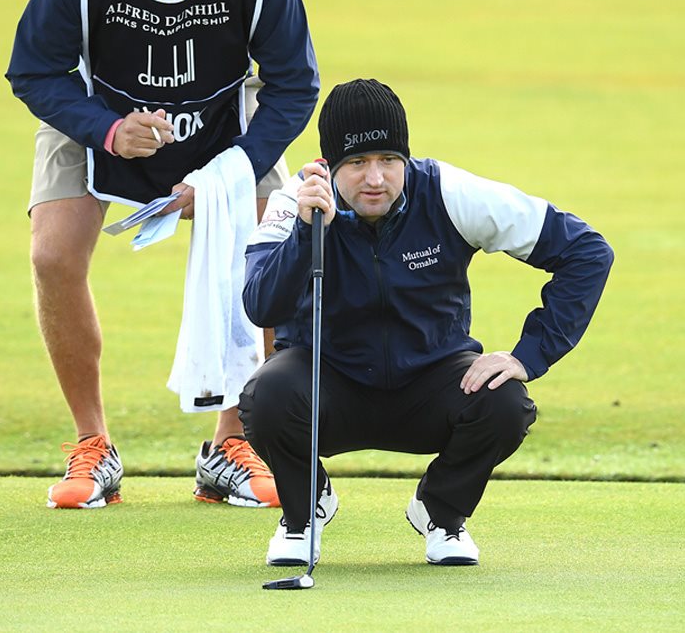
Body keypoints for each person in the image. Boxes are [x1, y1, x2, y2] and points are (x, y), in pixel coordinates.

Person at [5, 0, 319, 510]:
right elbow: (34, 70)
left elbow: (295, 82)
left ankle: (231, 444)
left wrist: (229, 173)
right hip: (97, 108)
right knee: (53, 255)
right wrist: (110, 131)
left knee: (267, 247)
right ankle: (94, 445)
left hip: (219, 121)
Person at [239, 78, 613, 567]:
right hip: (327, 385)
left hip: (430, 384)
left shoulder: (451, 193)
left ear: (406, 159)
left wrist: (529, 354)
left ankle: (441, 511)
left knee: (504, 402)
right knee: (265, 396)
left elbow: (587, 252)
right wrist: (308, 236)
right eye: (356, 163)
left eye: (388, 160)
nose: (375, 178)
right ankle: (303, 510)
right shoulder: (297, 202)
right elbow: (260, 305)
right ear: (329, 166)